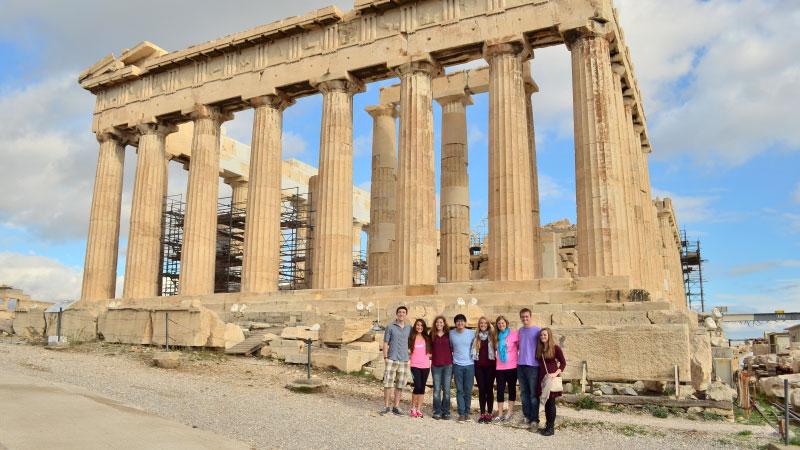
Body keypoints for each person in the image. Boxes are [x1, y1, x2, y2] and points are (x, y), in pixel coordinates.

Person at [380, 306, 411, 416]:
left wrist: (410, 358)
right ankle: (386, 406)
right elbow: (385, 343)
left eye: (403, 312)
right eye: (399, 312)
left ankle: (396, 406)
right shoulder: (390, 326)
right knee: (388, 384)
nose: (401, 314)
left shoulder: (409, 328)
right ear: (396, 314)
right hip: (391, 358)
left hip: (404, 360)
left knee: (400, 385)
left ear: (406, 314)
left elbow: (411, 343)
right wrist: (385, 357)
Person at [536, 327, 566, 436]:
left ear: (549, 336)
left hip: (550, 379)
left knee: (550, 404)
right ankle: (547, 425)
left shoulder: (555, 348)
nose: (543, 337)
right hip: (541, 379)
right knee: (546, 403)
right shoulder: (539, 349)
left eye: (545, 335)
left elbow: (563, 363)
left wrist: (555, 374)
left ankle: (551, 428)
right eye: (541, 335)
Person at [517, 307, 542, 431]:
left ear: (530, 317)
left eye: (527, 316)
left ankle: (534, 419)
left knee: (533, 394)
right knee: (523, 393)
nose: (525, 318)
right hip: (520, 365)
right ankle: (526, 416)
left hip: (533, 366)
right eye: (522, 317)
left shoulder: (537, 330)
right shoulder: (520, 331)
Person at [449, 313, 475, 422]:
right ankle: (461, 413)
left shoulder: (472, 333)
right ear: (455, 323)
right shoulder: (451, 334)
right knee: (459, 390)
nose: (460, 323)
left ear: (465, 323)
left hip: (469, 365)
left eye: (462, 321)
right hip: (457, 365)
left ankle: (467, 413)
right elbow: (449, 347)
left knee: (468, 390)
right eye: (458, 321)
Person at [493, 315, 519, 422]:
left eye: (502, 323)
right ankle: (500, 413)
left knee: (511, 389)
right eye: (499, 323)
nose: (501, 325)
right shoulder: (496, 336)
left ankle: (510, 411)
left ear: (506, 323)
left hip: (512, 366)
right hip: (500, 367)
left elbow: (520, 347)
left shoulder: (514, 334)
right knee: (500, 390)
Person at [472, 316, 496, 423]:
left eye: (485, 323)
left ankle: (489, 413)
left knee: (489, 389)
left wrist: (491, 326)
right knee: (481, 390)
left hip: (491, 367)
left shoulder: (492, 335)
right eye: (481, 323)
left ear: (488, 324)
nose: (483, 325)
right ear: (479, 325)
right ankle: (482, 413)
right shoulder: (475, 336)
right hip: (479, 367)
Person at [429, 316, 453, 420]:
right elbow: (428, 347)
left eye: (441, 322)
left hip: (448, 365)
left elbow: (453, 347)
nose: (439, 324)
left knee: (447, 390)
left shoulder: (449, 335)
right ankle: (437, 411)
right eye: (437, 322)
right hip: (435, 365)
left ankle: (446, 411)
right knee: (436, 390)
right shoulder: (432, 335)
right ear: (435, 324)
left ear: (444, 323)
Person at [408, 318, 432, 418]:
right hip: (414, 366)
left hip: (426, 366)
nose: (420, 327)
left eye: (421, 325)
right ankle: (413, 408)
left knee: (422, 388)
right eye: (418, 325)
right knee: (417, 386)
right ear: (415, 326)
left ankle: (419, 409)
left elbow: (431, 352)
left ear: (424, 327)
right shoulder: (411, 337)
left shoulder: (427, 338)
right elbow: (408, 350)